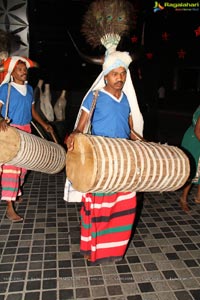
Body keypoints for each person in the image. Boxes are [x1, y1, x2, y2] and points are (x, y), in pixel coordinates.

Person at [65, 49, 144, 265]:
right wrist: (73, 135)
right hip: (101, 160)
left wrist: (144, 143)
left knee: (125, 206)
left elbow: (130, 130)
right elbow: (81, 127)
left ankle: (113, 250)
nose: (120, 78)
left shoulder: (126, 98)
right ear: (105, 76)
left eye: (123, 73)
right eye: (115, 73)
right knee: (99, 207)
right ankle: (94, 248)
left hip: (124, 161)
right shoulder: (95, 96)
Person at [0, 56, 54, 222]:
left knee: (24, 168)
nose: (23, 72)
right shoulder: (5, 89)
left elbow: (32, 111)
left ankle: (14, 193)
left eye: (25, 69)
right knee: (12, 169)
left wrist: (44, 124)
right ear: (12, 73)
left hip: (26, 131)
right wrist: (1, 120)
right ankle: (9, 206)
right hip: (9, 132)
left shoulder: (30, 89)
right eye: (19, 69)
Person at [179, 105, 200, 213]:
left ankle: (198, 197)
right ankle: (183, 198)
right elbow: (197, 131)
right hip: (194, 139)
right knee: (192, 170)